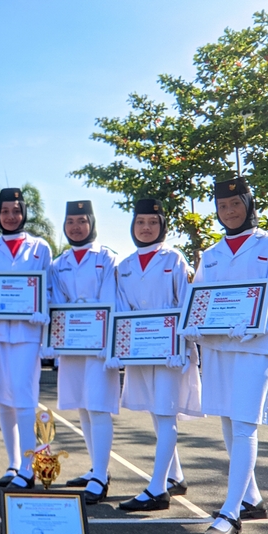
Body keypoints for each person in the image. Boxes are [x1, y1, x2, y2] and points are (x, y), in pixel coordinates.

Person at [181, 178, 268, 534]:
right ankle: (252, 499)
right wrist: (194, 326)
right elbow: (198, 297)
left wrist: (258, 325)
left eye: (235, 203)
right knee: (229, 424)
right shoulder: (211, 255)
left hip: (255, 347)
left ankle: (230, 513)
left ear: (248, 203)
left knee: (245, 425)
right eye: (223, 205)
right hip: (218, 350)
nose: (229, 211)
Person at [106, 198, 202, 512]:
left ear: (162, 226)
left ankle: (157, 489)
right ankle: (175, 477)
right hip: (139, 352)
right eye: (140, 222)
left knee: (165, 414)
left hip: (170, 352)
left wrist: (183, 346)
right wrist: (119, 349)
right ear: (133, 226)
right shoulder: (125, 266)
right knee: (156, 415)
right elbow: (120, 310)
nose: (146, 228)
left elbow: (185, 305)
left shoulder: (174, 259)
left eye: (153, 222)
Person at [0, 188, 52, 489]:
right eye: (5, 211)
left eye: (16, 211)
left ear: (24, 213)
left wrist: (41, 309)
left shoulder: (40, 247)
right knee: (3, 400)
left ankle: (30, 467)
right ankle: (14, 463)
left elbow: (48, 287)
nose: (10, 216)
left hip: (25, 332)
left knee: (22, 396)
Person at [47, 200, 118, 504]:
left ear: (91, 222)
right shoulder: (59, 263)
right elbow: (55, 299)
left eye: (81, 220)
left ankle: (101, 477)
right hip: (72, 346)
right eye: (70, 221)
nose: (76, 227)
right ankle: (95, 468)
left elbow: (111, 301)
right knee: (83, 408)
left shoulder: (107, 258)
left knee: (99, 407)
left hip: (99, 345)